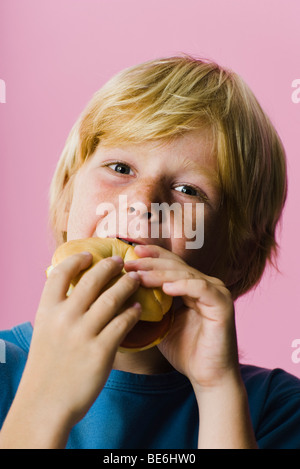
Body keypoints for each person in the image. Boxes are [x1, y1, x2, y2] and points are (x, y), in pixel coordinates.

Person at [0, 55, 300, 449]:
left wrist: (216, 393)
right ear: (67, 204)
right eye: (120, 168)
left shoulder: (276, 408)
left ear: (238, 257)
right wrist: (44, 405)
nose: (143, 203)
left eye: (189, 191)